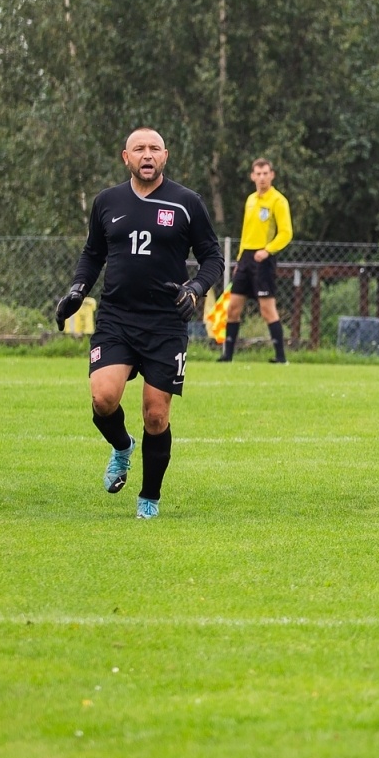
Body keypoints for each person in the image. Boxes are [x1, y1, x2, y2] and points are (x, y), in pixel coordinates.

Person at [55, 128, 224, 519]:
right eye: (139, 149)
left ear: (165, 156)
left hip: (166, 322)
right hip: (117, 317)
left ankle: (149, 498)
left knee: (155, 414)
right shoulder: (106, 202)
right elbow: (93, 253)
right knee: (103, 398)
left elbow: (212, 257)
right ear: (125, 157)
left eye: (154, 149)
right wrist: (78, 290)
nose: (147, 155)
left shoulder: (187, 203)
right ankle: (122, 447)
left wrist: (195, 288)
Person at [219, 158, 293, 363]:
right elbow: (245, 232)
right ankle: (227, 356)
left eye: (265, 173)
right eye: (258, 174)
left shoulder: (278, 200)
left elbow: (286, 233)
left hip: (263, 259)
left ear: (272, 175)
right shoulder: (251, 199)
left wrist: (268, 250)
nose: (261, 177)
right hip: (246, 258)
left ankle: (280, 357)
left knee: (267, 309)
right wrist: (239, 259)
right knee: (233, 307)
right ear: (252, 176)